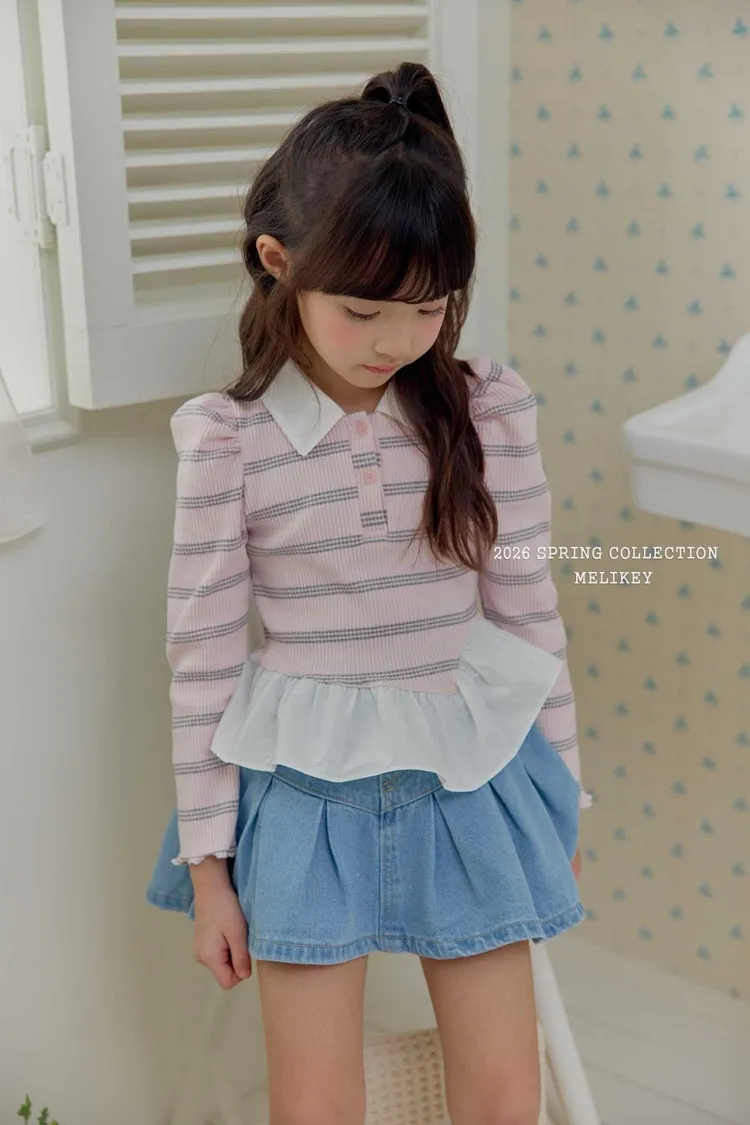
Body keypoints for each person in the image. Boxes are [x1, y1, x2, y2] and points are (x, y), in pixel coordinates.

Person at [147, 60, 592, 1125]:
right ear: (278, 262)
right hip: (304, 796)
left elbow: (529, 615)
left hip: (472, 779)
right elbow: (203, 660)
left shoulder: (486, 413)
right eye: (363, 310)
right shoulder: (231, 443)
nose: (397, 341)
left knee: (505, 1091)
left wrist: (562, 798)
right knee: (314, 1104)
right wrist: (209, 873)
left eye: (428, 309)